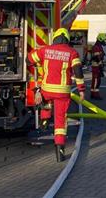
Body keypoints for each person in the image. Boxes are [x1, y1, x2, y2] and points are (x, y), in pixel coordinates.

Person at [28, 28, 86, 162]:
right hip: (62, 92)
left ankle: (44, 119)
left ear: (54, 38)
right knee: (60, 121)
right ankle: (60, 151)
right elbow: (78, 71)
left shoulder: (45, 50)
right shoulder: (72, 53)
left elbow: (29, 59)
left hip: (47, 90)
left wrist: (35, 62)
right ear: (67, 39)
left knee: (46, 100)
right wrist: (81, 90)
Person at [89, 33, 106, 100]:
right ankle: (95, 94)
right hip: (96, 66)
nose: (105, 41)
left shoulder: (99, 46)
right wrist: (100, 65)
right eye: (104, 40)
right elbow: (97, 57)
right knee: (97, 80)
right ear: (100, 39)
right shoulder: (96, 47)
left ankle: (92, 93)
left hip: (97, 65)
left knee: (95, 80)